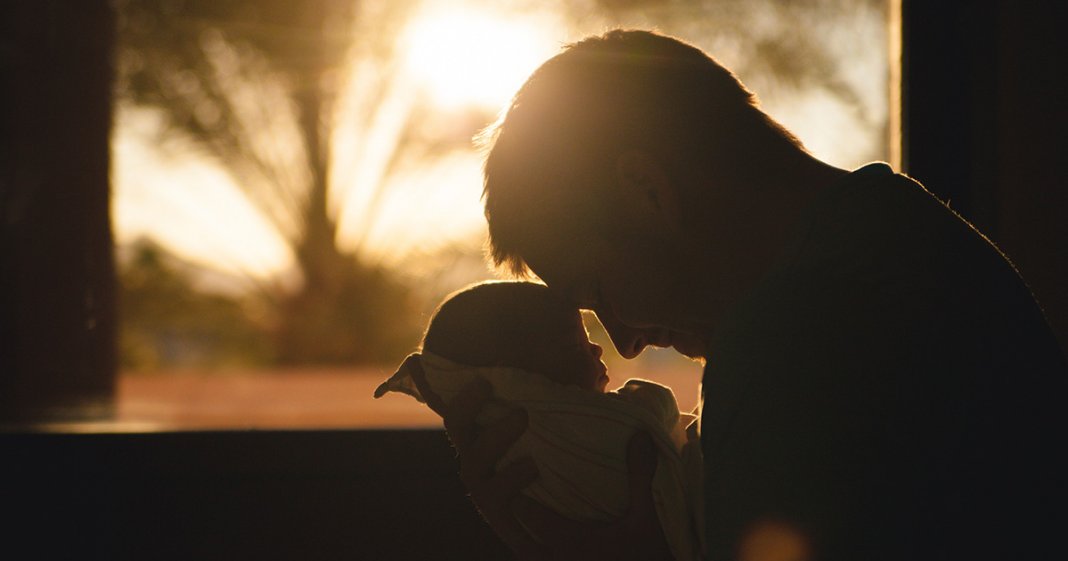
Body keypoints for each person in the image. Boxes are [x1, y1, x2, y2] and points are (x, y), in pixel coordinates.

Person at [440, 29, 1068, 561]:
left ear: (646, 191)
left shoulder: (792, 337)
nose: (624, 342)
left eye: (598, 291)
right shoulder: (907, 234)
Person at [375, 281, 703, 560]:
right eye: (575, 345)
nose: (604, 348)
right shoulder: (561, 431)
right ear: (516, 380)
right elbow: (651, 413)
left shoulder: (514, 454)